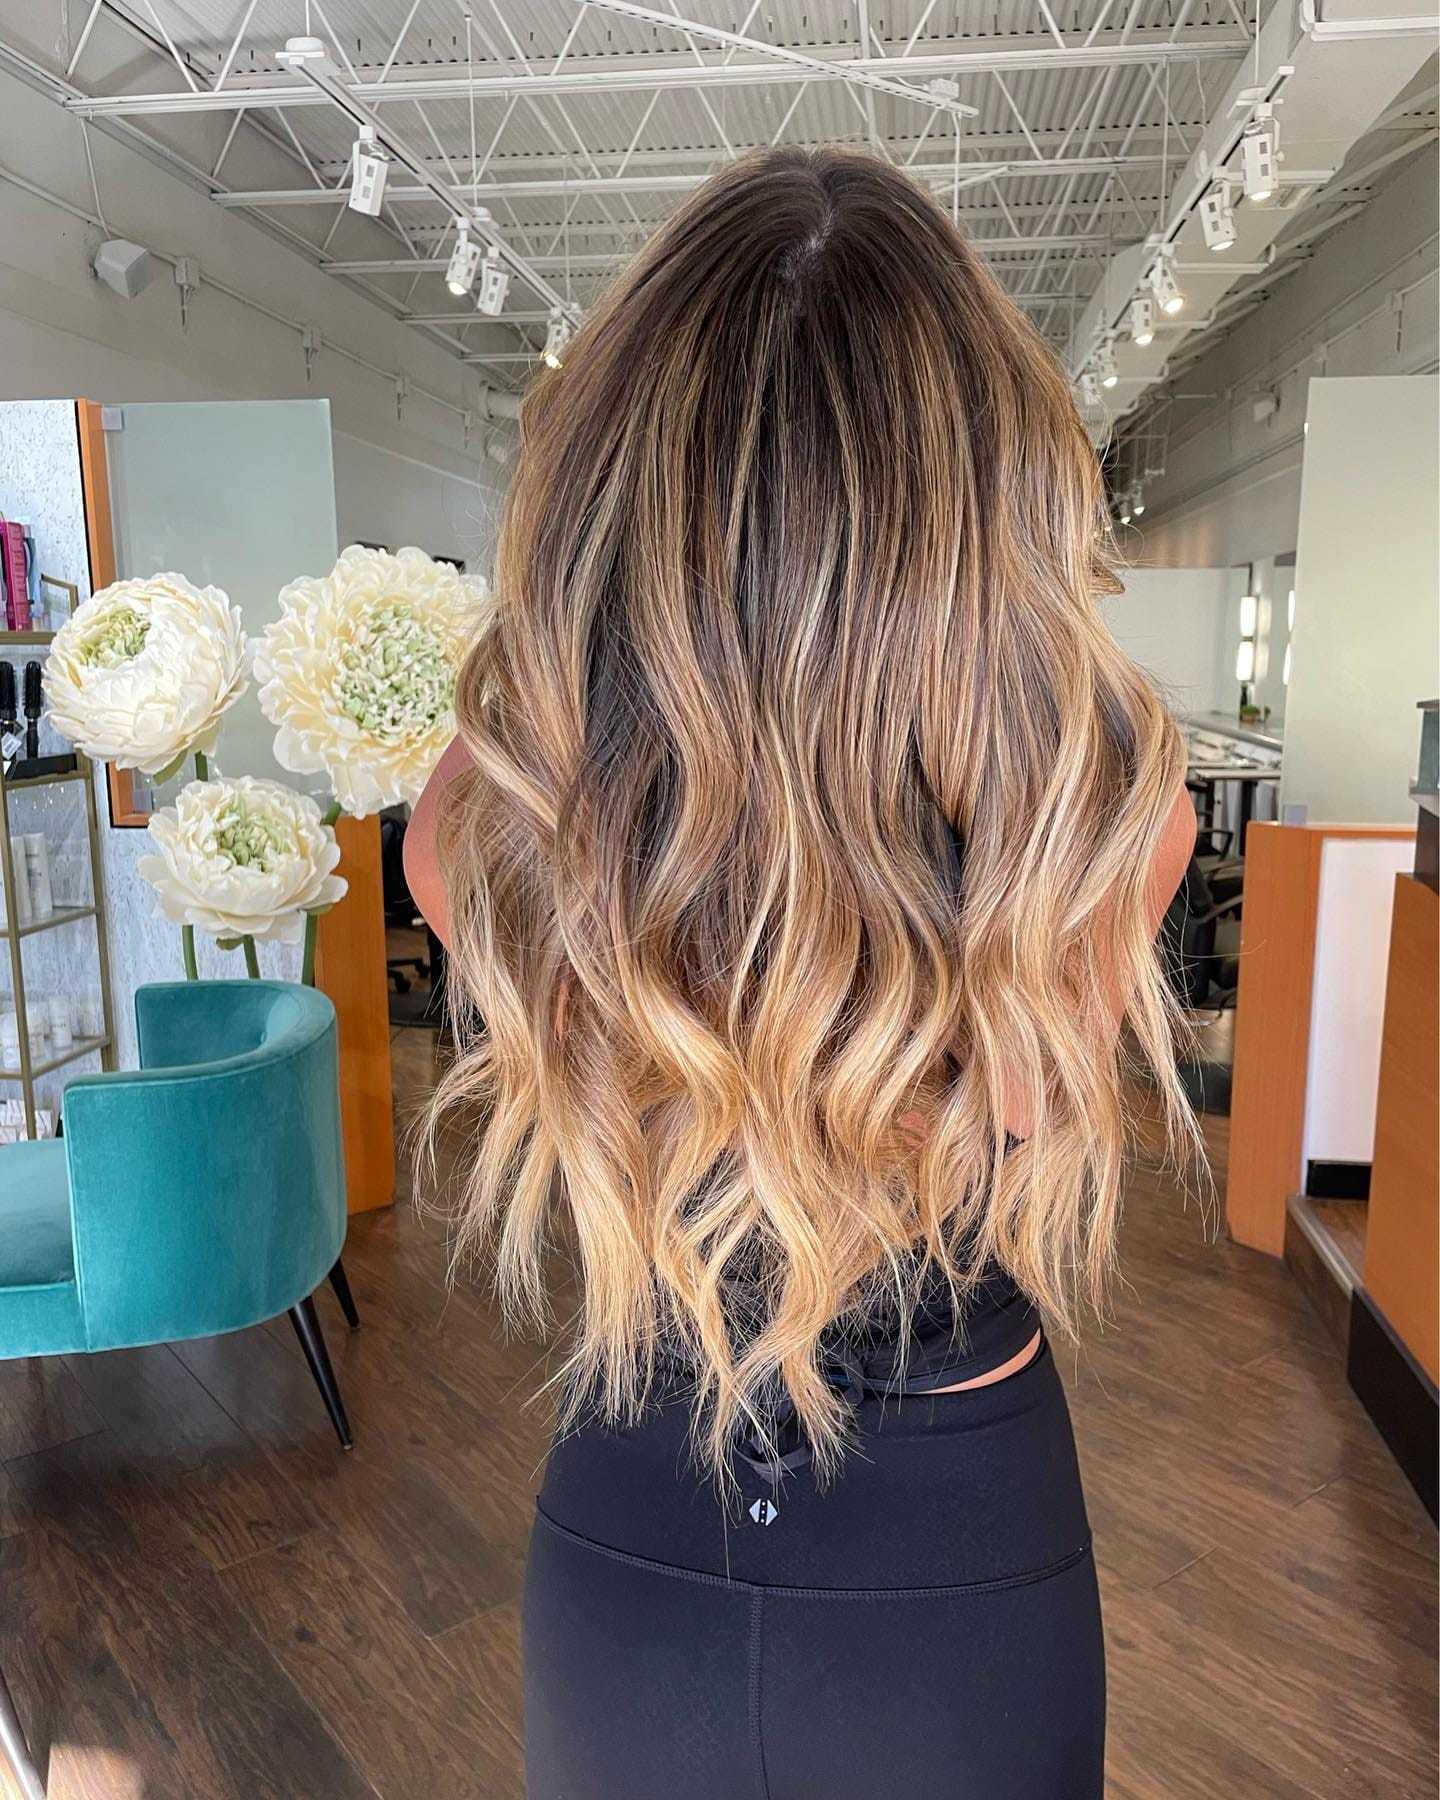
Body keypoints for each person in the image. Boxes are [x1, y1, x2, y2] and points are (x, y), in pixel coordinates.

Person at [407, 145, 1198, 1800]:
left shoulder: (482, 820)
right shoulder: (1113, 825)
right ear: (994, 503)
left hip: (636, 1502)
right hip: (964, 1540)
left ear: (609, 488)